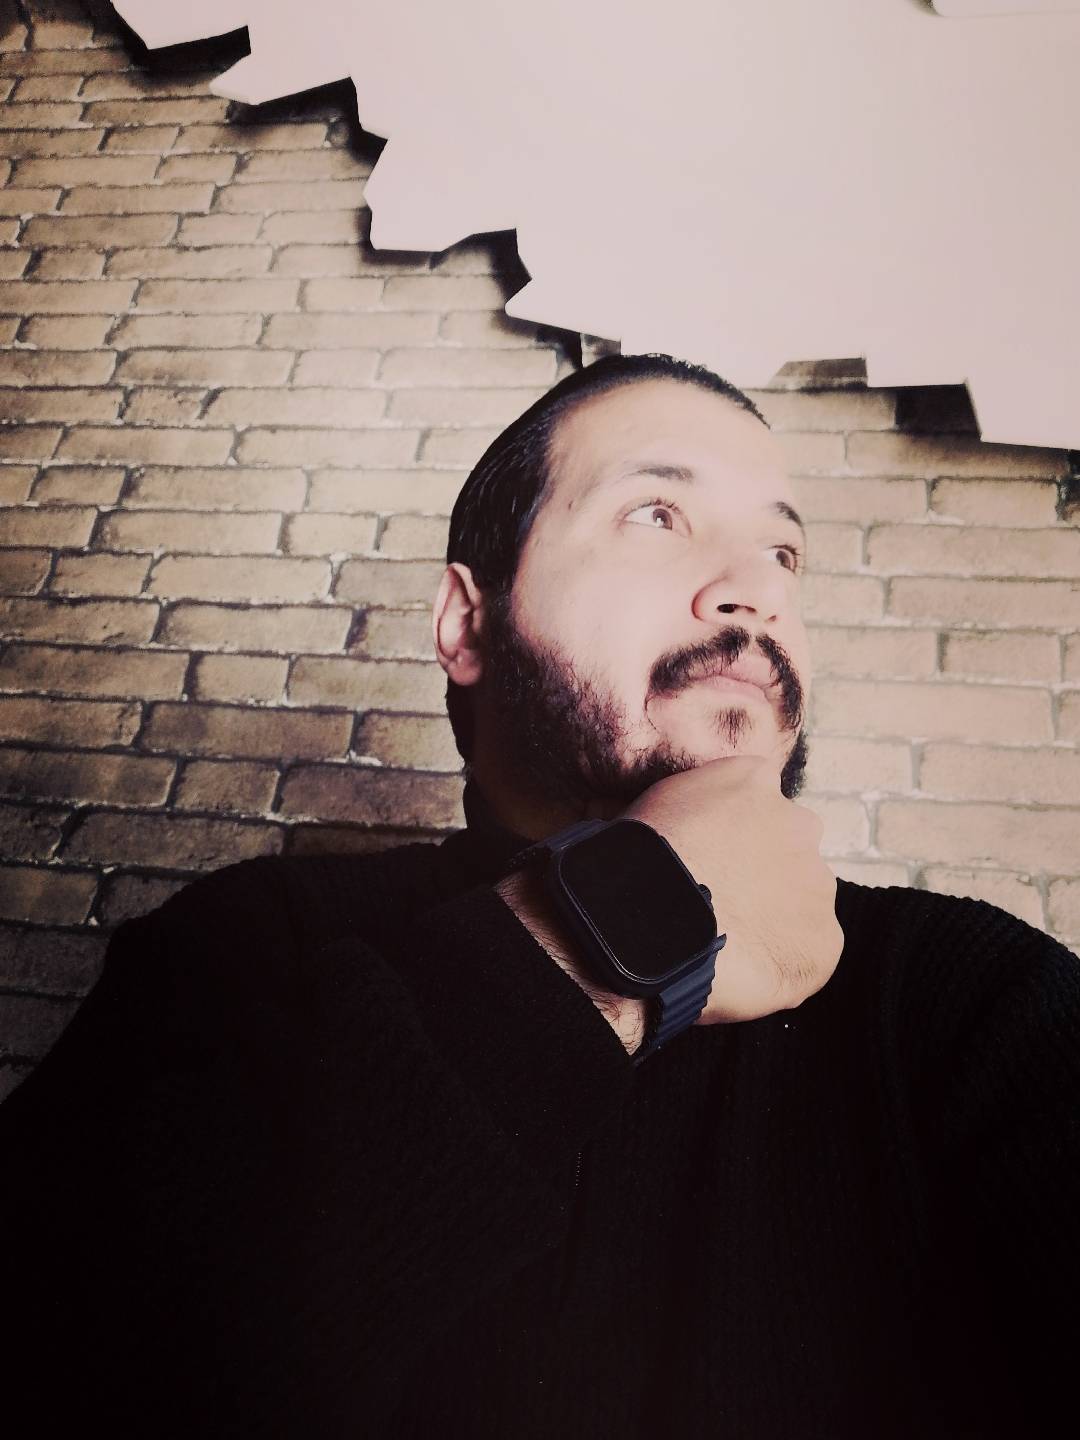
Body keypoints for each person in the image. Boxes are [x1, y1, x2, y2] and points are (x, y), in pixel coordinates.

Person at [2, 354, 1077, 1439]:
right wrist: (598, 936)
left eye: (783, 552)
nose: (757, 589)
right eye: (657, 514)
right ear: (467, 624)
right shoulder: (240, 951)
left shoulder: (972, 1005)